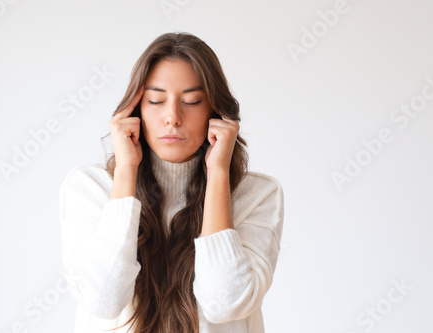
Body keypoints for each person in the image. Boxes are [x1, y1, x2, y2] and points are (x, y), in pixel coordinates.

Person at [59, 32, 285, 333]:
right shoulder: (89, 187)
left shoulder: (258, 194)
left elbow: (225, 304)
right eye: (156, 100)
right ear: (135, 108)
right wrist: (126, 169)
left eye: (191, 101)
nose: (172, 117)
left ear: (215, 111)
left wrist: (217, 173)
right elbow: (105, 300)